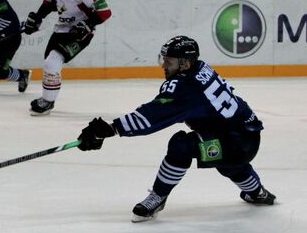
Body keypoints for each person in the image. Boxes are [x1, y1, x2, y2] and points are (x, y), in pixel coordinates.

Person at [76, 36, 276, 222]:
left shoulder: (185, 86)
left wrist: (111, 129)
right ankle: (257, 192)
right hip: (246, 138)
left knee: (181, 146)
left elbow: (152, 116)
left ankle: (158, 196)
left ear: (185, 63)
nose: (164, 65)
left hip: (235, 143)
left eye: (169, 61)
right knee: (229, 164)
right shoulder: (200, 69)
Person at [23, 0, 112, 115]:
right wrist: (37, 18)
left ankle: (47, 102)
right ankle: (48, 99)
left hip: (80, 33)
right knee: (50, 63)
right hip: (61, 29)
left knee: (52, 62)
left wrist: (86, 24)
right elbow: (49, 3)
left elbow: (105, 13)